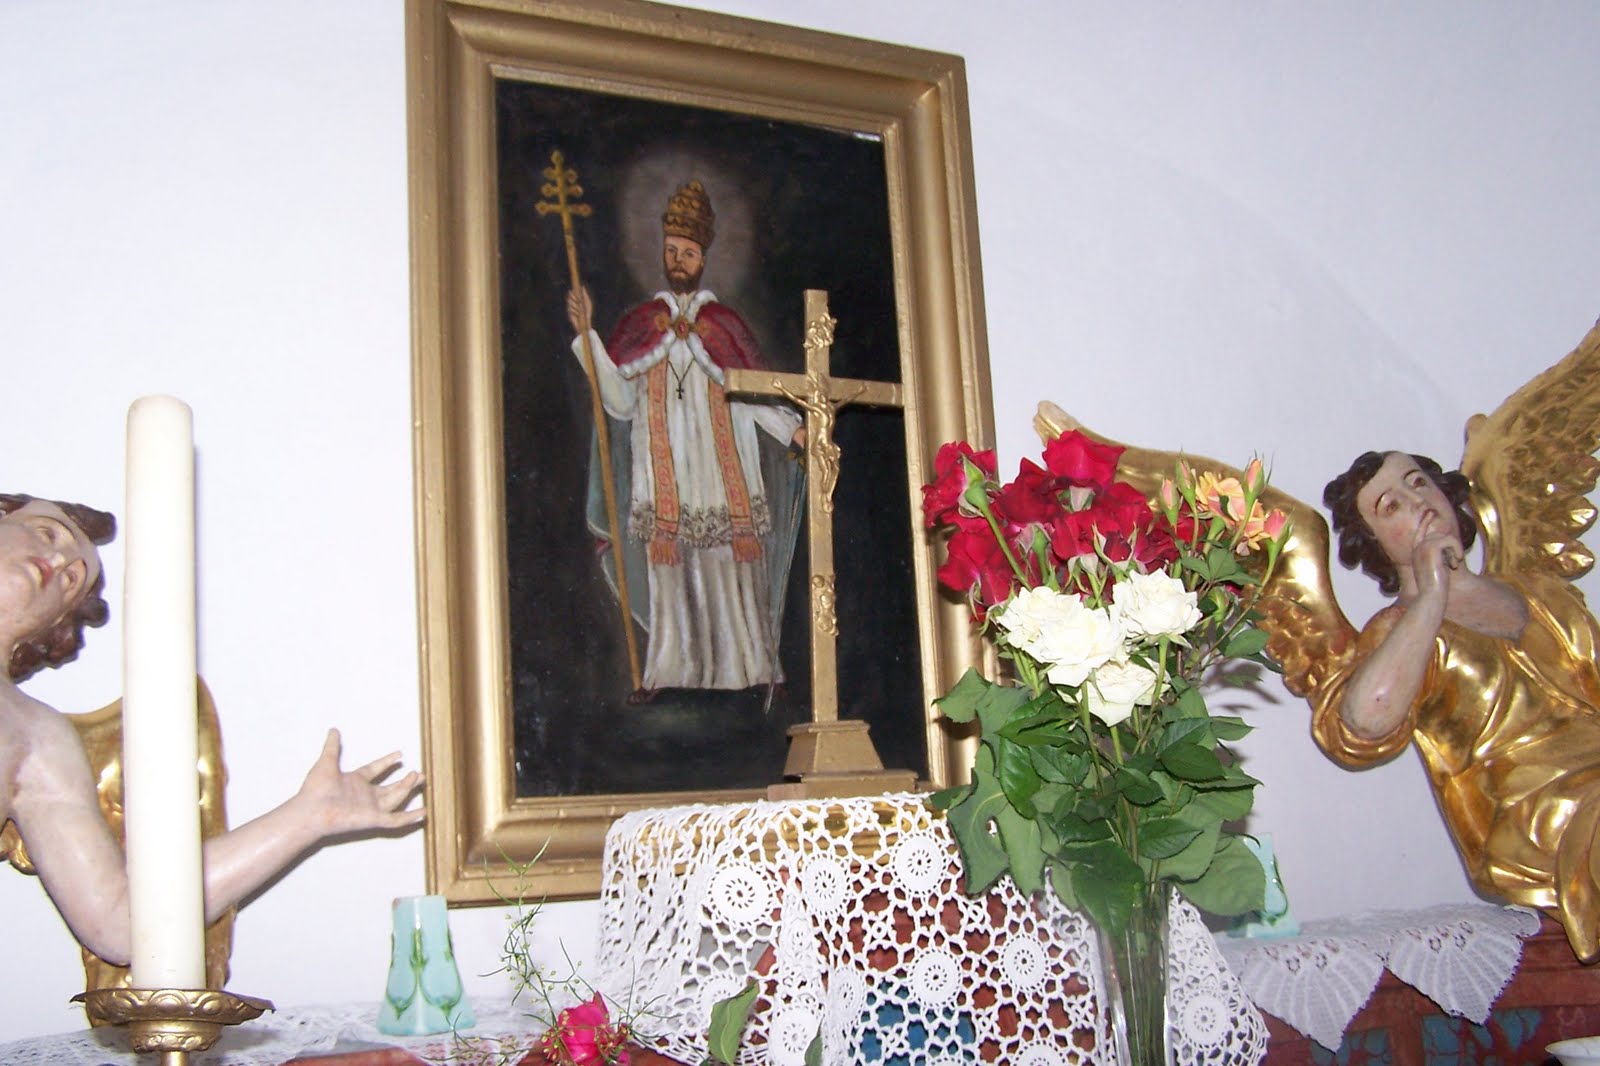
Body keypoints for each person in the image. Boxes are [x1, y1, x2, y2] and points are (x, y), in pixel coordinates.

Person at [0, 493, 424, 968]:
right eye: (46, 533)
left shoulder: (38, 739)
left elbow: (122, 921)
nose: (58, 562)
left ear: (52, 626)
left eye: (71, 582)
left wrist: (307, 818)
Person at [1313, 451, 1600, 959]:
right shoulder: (1400, 630)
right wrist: (1431, 596)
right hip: (1533, 811)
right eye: (1390, 506)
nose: (1415, 500)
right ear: (1375, 542)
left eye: (1418, 482)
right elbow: (1366, 720)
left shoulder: (1539, 595)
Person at [566, 180, 805, 702]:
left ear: (704, 258)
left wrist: (794, 430)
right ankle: (669, 673)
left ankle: (750, 667)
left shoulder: (724, 326)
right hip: (667, 479)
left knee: (729, 572)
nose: (678, 261)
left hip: (721, 476)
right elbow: (619, 401)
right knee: (672, 579)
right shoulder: (641, 326)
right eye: (672, 251)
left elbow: (756, 394)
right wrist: (588, 335)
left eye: (688, 253)